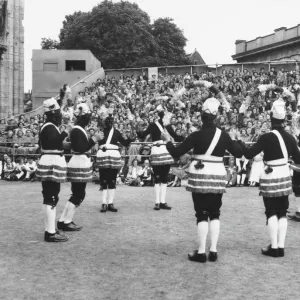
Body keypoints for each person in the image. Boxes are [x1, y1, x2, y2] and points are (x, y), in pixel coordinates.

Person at [162, 97, 243, 263]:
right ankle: (213, 250)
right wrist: (236, 139)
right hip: (218, 175)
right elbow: (239, 153)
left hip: (199, 176)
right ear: (216, 116)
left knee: (201, 214)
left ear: (202, 116)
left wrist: (168, 142)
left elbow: (177, 153)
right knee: (215, 213)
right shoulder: (224, 135)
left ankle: (201, 252)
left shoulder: (196, 135)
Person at [237, 99, 300, 257]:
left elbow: (249, 154)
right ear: (284, 120)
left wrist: (240, 143)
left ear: (271, 120)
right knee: (283, 211)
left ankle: (273, 247)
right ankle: (281, 246)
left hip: (270, 175)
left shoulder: (266, 137)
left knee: (271, 211)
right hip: (284, 175)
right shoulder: (291, 138)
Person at [57, 103, 103, 231]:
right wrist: (94, 139)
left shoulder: (78, 129)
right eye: (87, 116)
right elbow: (81, 148)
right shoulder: (77, 130)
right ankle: (67, 221)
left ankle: (63, 220)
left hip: (79, 161)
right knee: (79, 194)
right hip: (79, 162)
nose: (89, 119)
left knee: (76, 193)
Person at [35, 98, 69, 243]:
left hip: (50, 160)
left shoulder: (49, 126)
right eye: (58, 112)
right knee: (51, 197)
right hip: (51, 161)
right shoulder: (49, 126)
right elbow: (54, 142)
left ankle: (51, 229)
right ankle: (50, 232)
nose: (60, 114)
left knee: (51, 197)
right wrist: (65, 132)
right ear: (53, 112)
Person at [137, 110, 178, 211]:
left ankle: (159, 202)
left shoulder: (156, 125)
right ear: (164, 117)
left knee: (160, 178)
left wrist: (138, 128)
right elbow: (177, 137)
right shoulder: (164, 126)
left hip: (158, 152)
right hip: (165, 152)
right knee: (162, 178)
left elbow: (142, 135)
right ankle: (160, 202)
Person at [96, 115, 132, 213]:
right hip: (107, 155)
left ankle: (109, 203)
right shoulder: (102, 132)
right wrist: (129, 139)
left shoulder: (107, 132)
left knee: (111, 180)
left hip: (107, 156)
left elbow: (124, 143)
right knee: (105, 180)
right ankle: (105, 203)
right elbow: (125, 143)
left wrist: (129, 139)